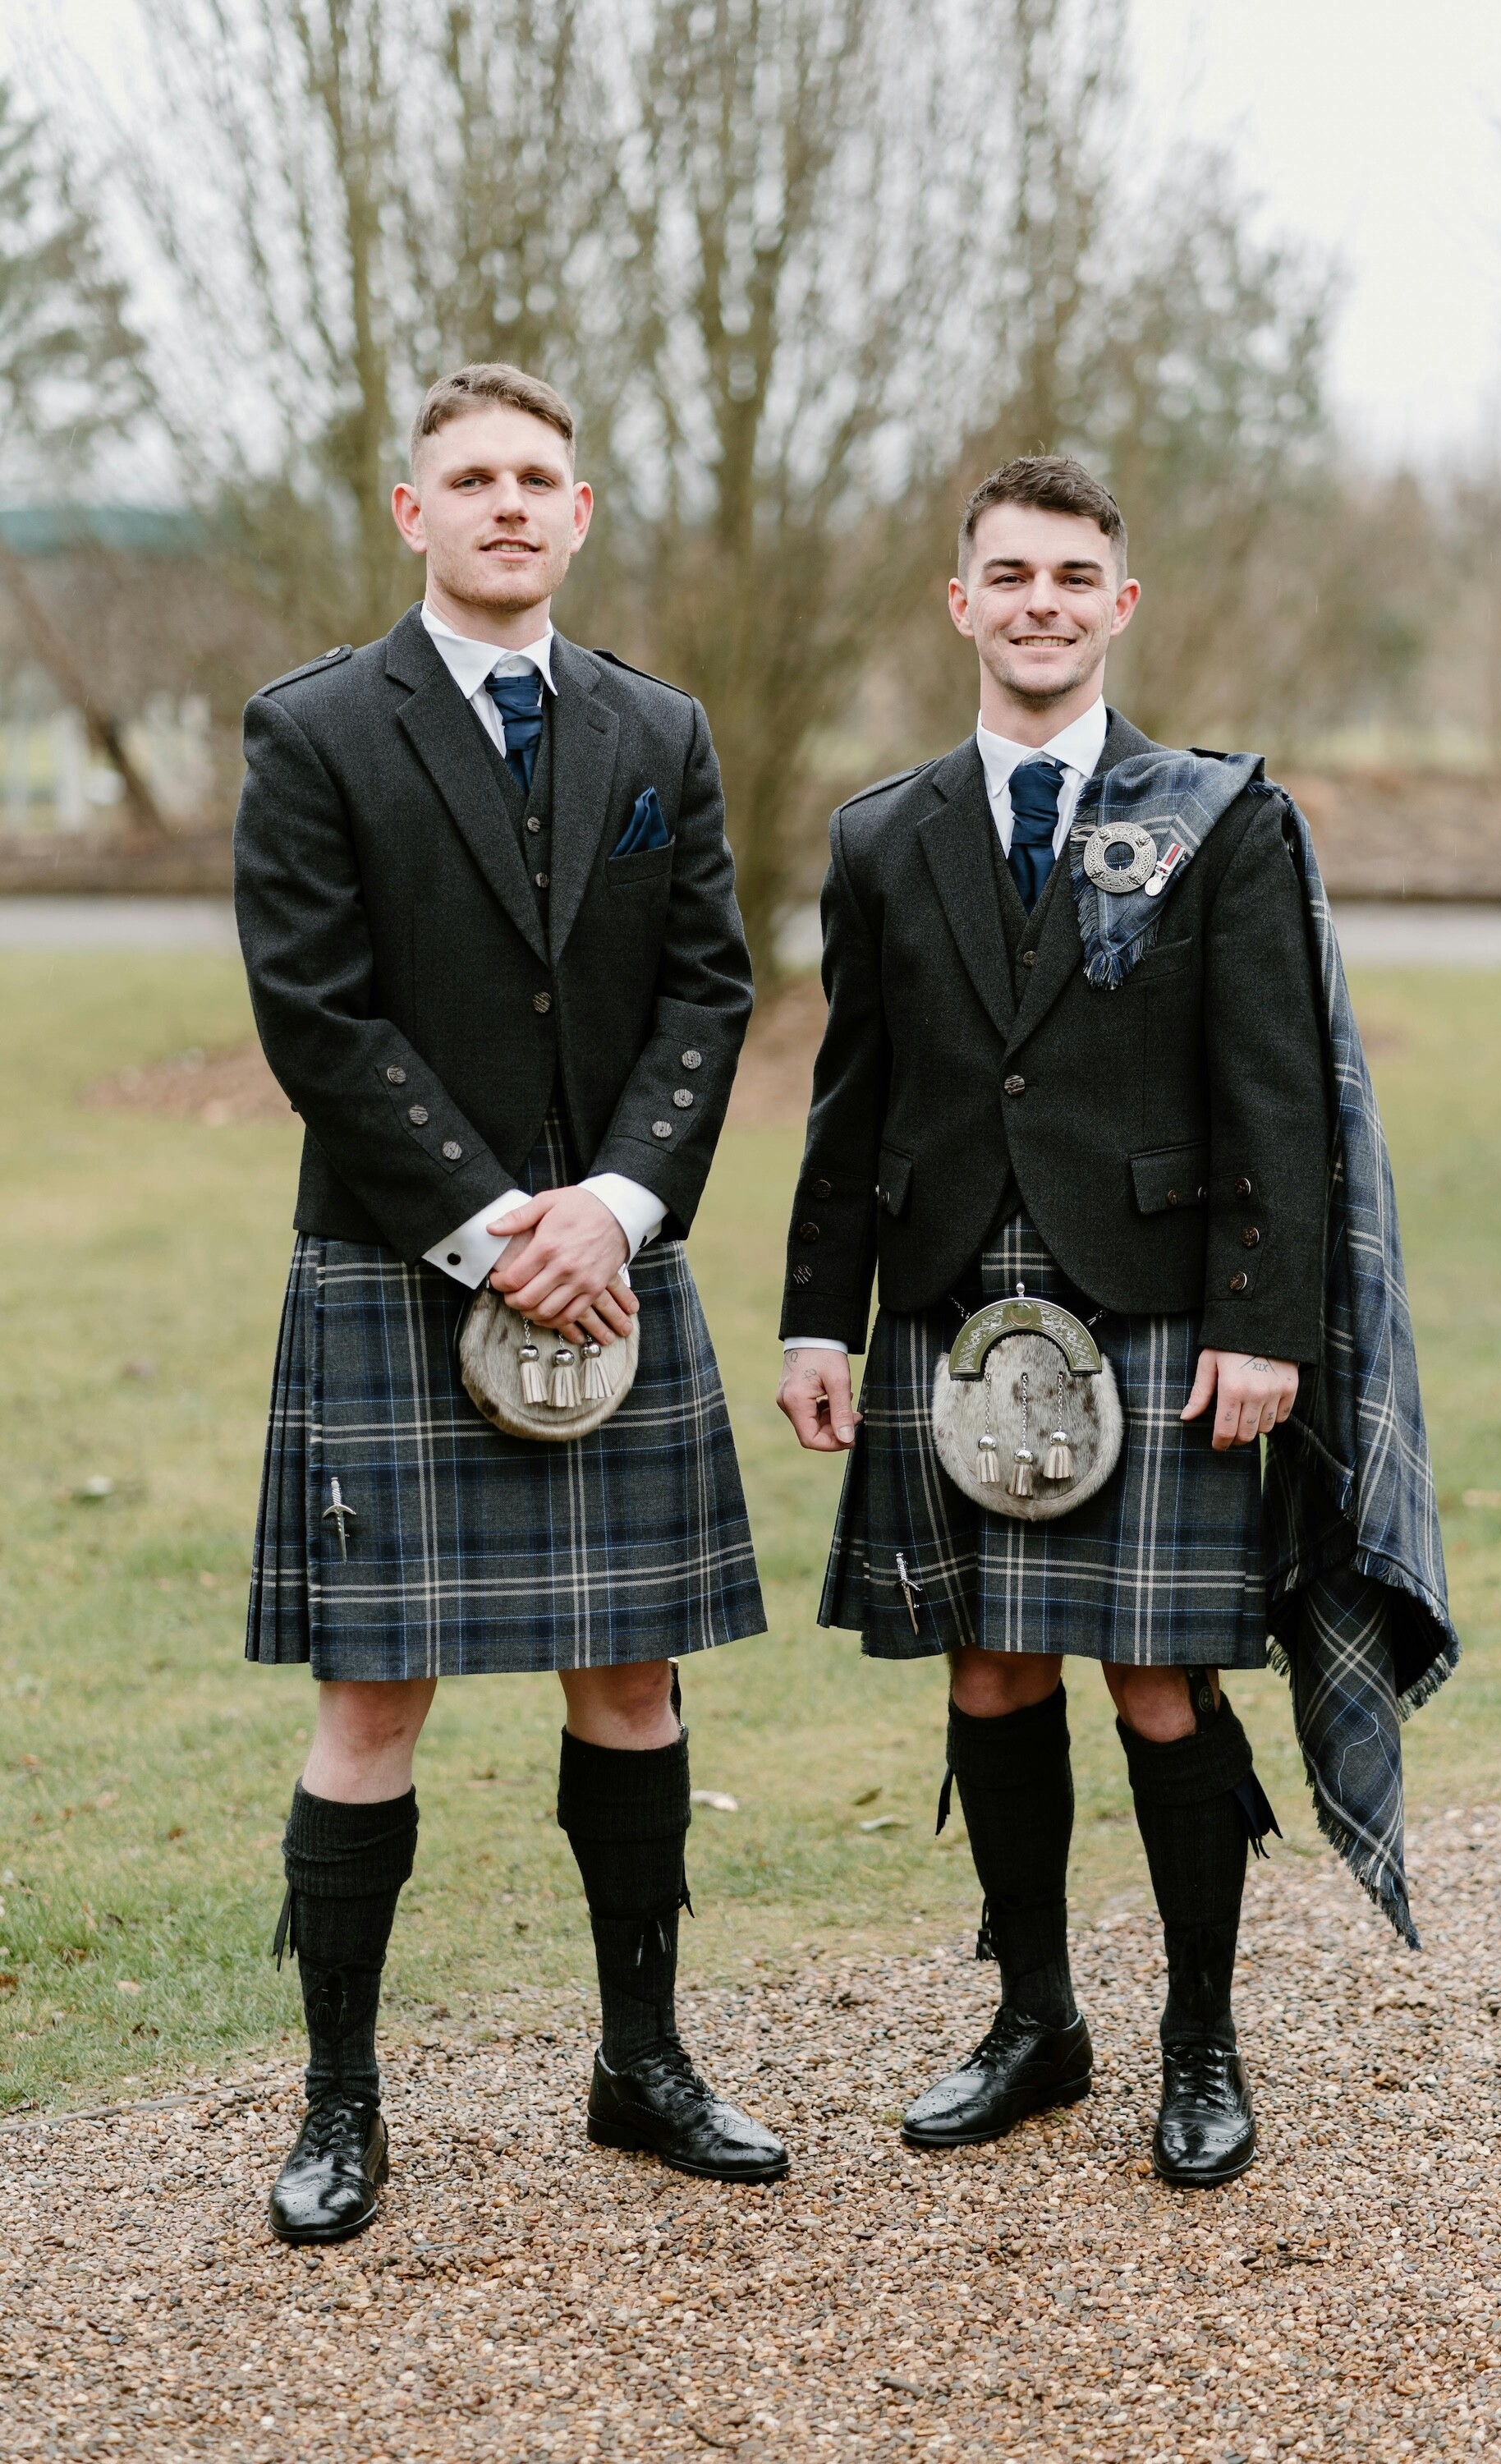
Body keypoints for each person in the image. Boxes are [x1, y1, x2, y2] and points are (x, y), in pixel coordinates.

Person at [237, 361, 787, 2246]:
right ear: (412, 512)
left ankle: (641, 2064)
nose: (505, 504)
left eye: (537, 476)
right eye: (468, 476)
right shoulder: (315, 728)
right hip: (402, 1269)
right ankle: (339, 2108)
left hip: (614, 1263)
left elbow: (709, 995)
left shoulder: (661, 728)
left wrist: (617, 1209)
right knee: (369, 1696)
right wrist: (496, 1228)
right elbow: (316, 1015)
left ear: (578, 508)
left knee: (627, 1680)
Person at [778, 453, 1366, 2187]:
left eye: (1072, 575)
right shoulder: (885, 835)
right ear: (961, 603)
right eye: (1008, 574)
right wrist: (821, 1318)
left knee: (1164, 1682)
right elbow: (850, 1098)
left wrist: (1261, 1325)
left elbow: (1273, 1094)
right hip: (950, 1298)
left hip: (1158, 1307)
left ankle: (1202, 2043)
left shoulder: (1221, 819)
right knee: (985, 1666)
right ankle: (1035, 2021)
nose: (1039, 601)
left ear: (1120, 605)